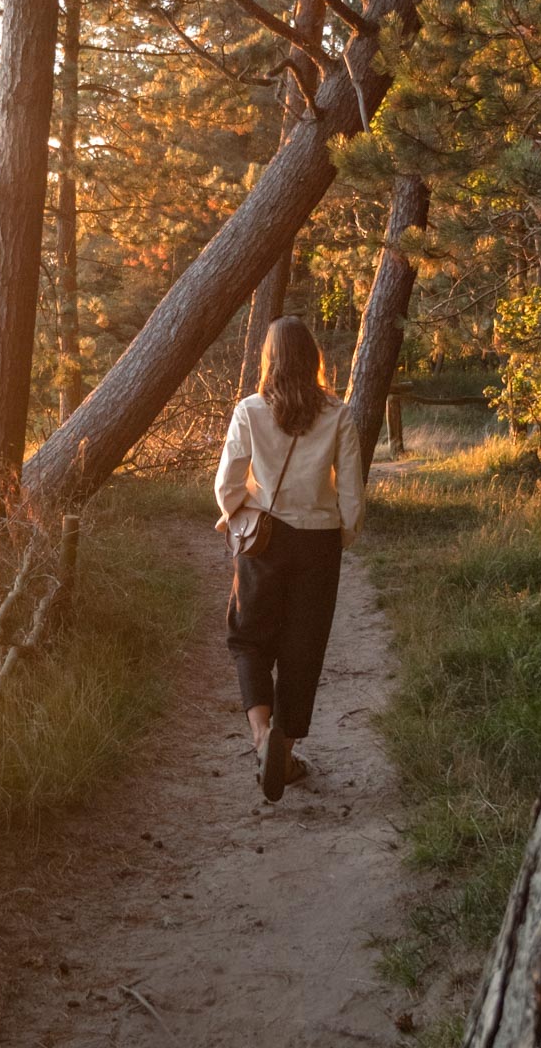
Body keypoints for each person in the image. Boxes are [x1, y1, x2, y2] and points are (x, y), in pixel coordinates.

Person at [214, 316, 365, 802]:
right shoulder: (338, 414)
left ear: (269, 359)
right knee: (304, 650)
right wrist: (340, 536)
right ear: (314, 359)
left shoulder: (250, 411)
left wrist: (238, 512)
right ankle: (284, 750)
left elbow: (226, 486)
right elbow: (352, 496)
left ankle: (262, 737)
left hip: (266, 538)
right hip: (319, 543)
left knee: (249, 637)